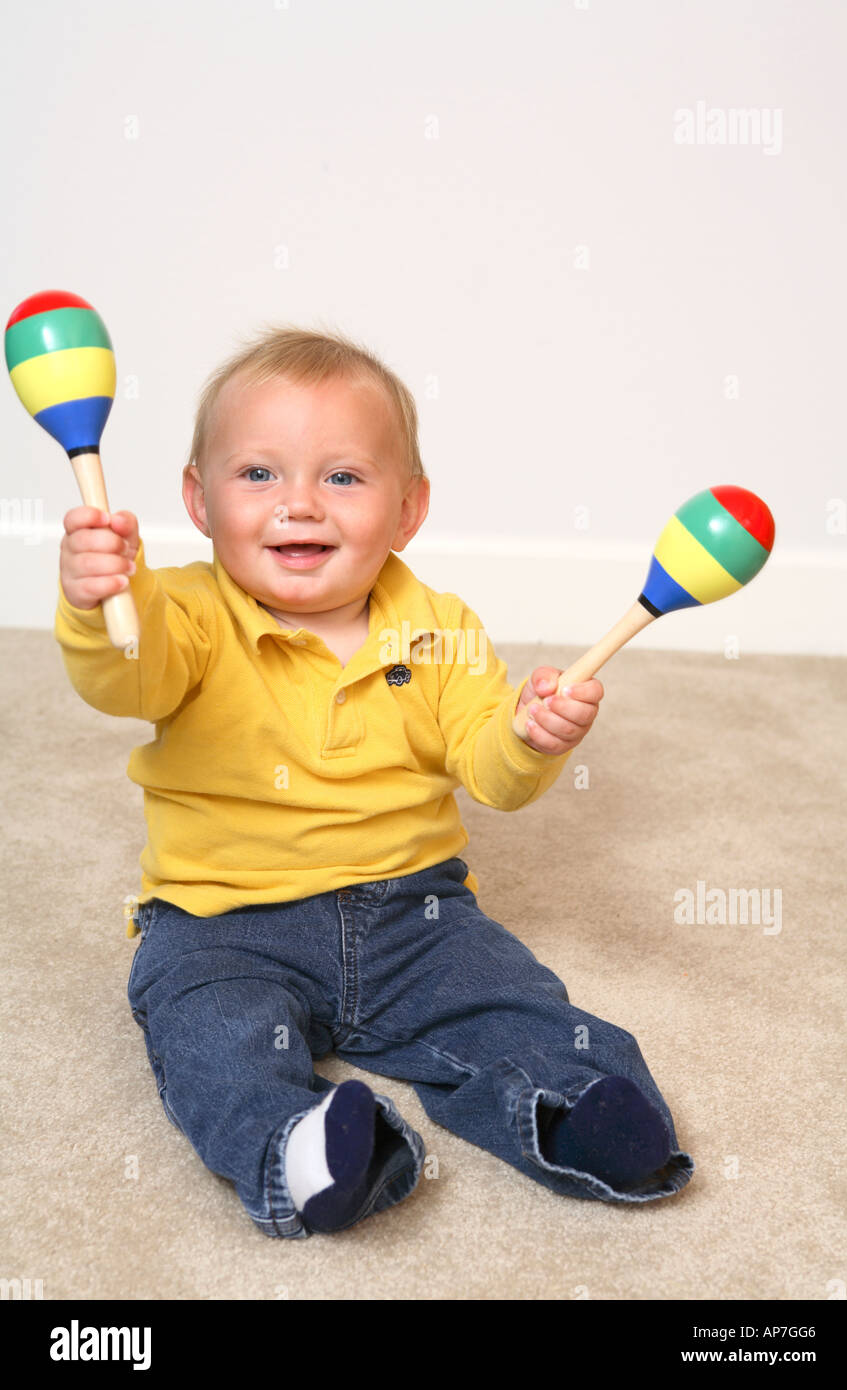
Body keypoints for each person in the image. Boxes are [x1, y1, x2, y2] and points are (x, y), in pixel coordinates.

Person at [54, 325, 693, 1237]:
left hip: (415, 917)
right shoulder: (181, 611)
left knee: (520, 1005)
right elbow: (128, 672)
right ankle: (306, 1149)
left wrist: (529, 735)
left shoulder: (439, 627)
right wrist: (96, 601)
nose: (300, 506)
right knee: (210, 1039)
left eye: (343, 477)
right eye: (259, 475)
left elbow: (489, 769)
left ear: (408, 509)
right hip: (221, 922)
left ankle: (579, 1115)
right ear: (198, 500)